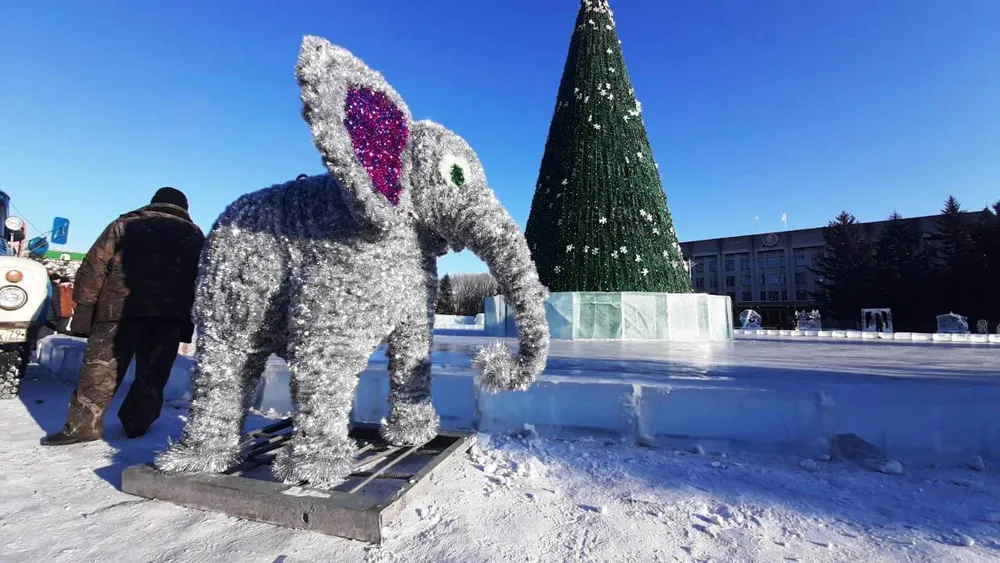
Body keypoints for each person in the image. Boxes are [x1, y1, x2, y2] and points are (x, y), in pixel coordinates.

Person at [42, 187, 205, 446]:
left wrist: (84, 307)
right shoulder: (195, 235)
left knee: (100, 371)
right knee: (153, 375)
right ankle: (137, 423)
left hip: (118, 312)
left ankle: (84, 427)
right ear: (184, 208)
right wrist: (188, 321)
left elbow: (94, 266)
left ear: (153, 203)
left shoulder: (125, 225)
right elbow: (200, 281)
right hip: (168, 316)